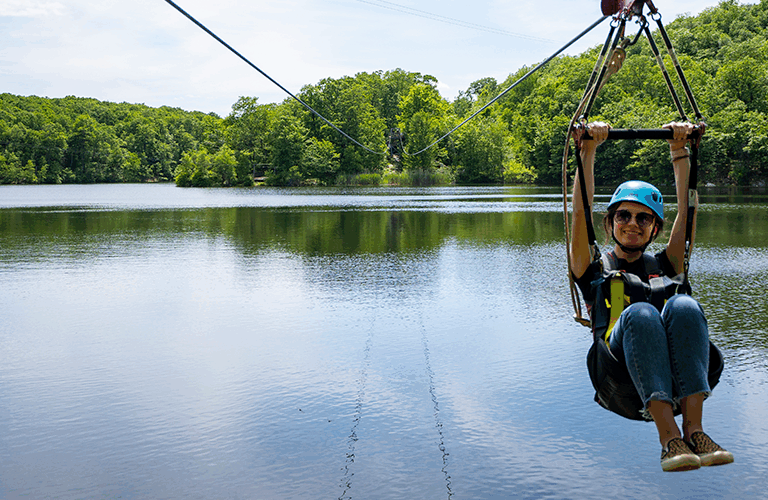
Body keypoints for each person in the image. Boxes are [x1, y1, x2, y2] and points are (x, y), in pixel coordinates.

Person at [570, 121, 734, 472]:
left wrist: (681, 150)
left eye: (644, 218)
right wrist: (588, 150)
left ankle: (696, 431)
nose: (632, 223)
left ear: (655, 228)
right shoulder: (592, 266)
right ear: (611, 221)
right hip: (618, 376)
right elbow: (580, 211)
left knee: (683, 303)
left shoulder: (666, 263)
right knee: (642, 312)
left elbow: (687, 215)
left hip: (674, 373)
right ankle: (669, 439)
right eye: (624, 216)